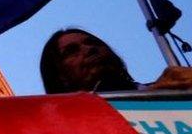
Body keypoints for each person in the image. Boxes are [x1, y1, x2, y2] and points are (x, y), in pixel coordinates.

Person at [40, 27, 192, 93]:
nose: (89, 49)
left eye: (93, 42)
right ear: (60, 76)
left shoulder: (172, 87)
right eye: (71, 51)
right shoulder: (61, 131)